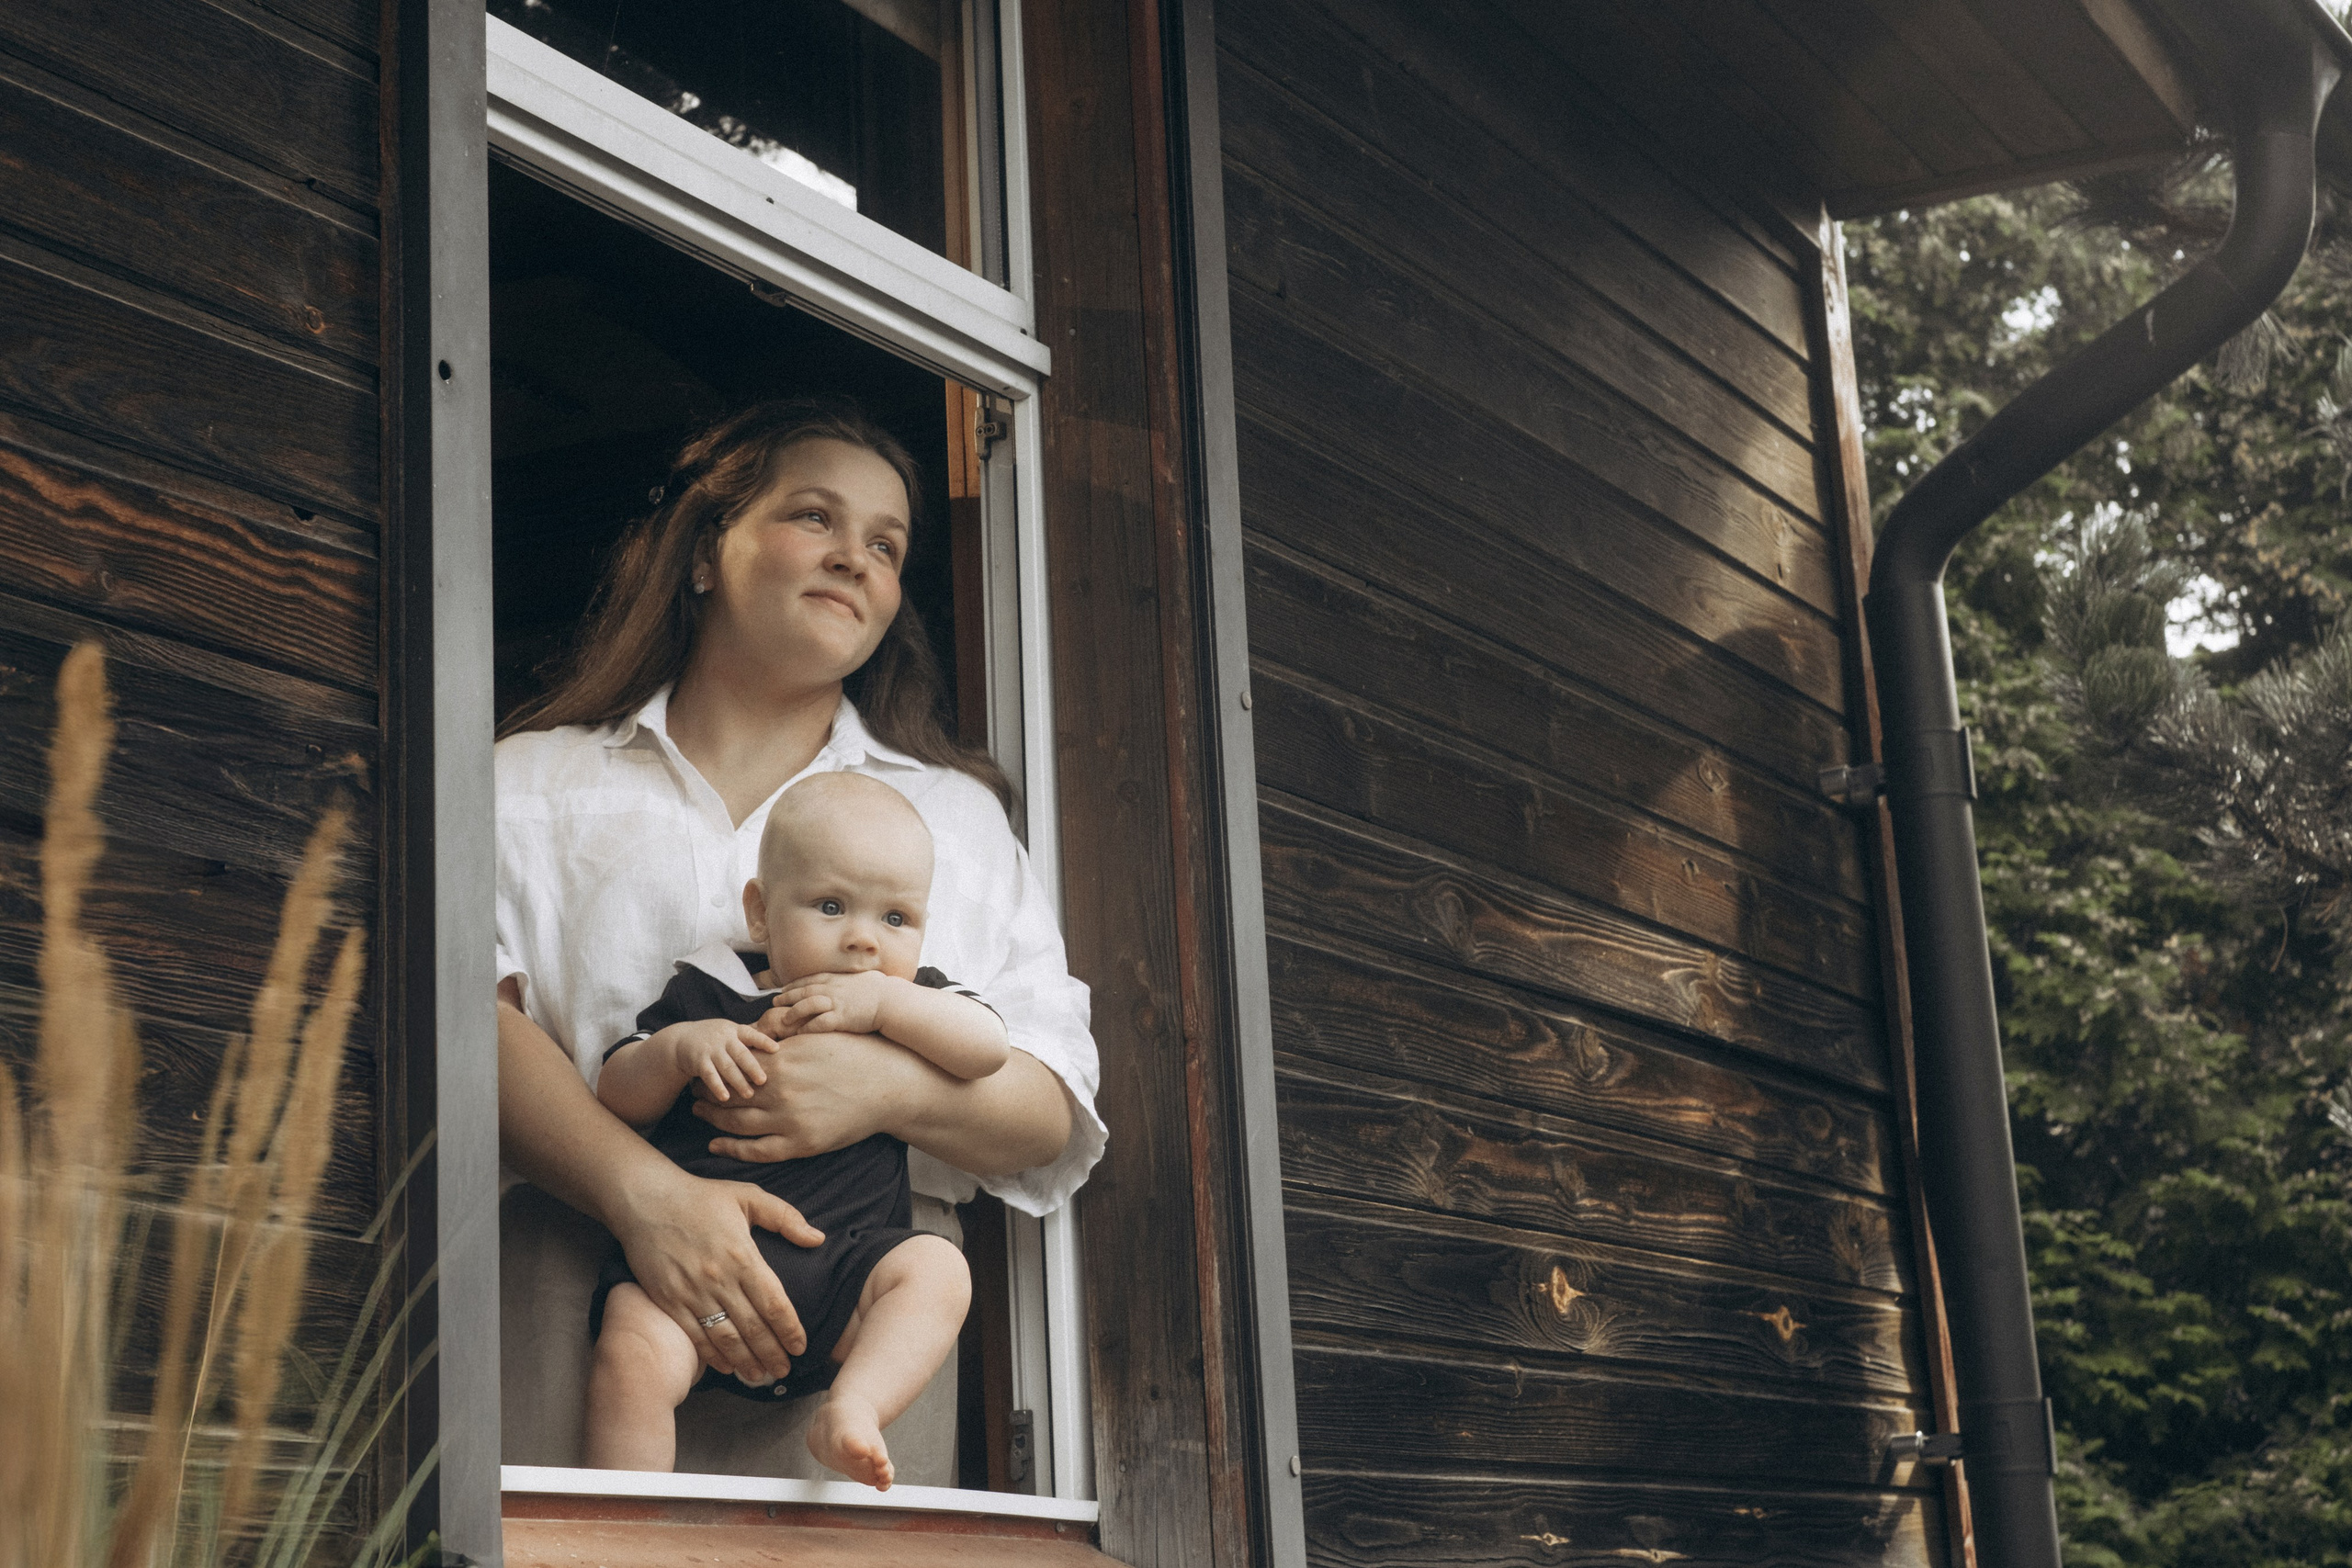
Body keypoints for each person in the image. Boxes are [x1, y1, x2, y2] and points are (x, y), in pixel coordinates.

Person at [495, 400, 1103, 1480]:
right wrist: (648, 1200)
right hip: (583, 1274)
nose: (854, 559)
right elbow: (463, 1016)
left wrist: (885, 1092)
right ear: (702, 551)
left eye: (885, 544)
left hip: (861, 1296)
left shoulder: (954, 817)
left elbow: (1050, 1104)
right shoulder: (532, 782)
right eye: (813, 517)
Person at [585, 773, 1005, 1487]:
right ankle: (624, 1525)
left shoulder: (909, 1000)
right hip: (691, 1274)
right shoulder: (710, 991)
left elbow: (988, 1046)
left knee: (939, 1272)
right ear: (761, 913)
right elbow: (617, 1091)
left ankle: (853, 1408)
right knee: (630, 1350)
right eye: (832, 906)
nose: (864, 941)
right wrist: (680, 1048)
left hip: (844, 1270)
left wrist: (884, 1006)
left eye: (896, 919)